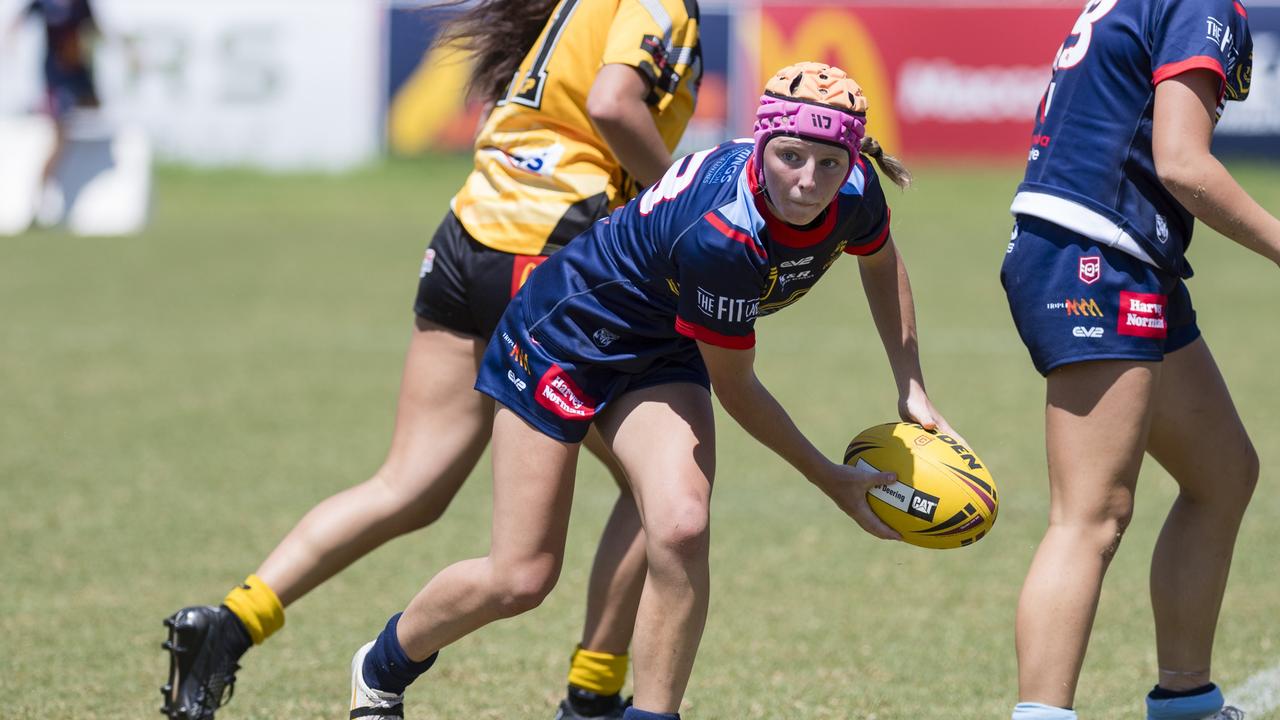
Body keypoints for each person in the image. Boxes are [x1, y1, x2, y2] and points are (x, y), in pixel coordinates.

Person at [346, 61, 957, 720]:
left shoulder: (856, 189)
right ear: (761, 142)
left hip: (662, 343)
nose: (808, 181)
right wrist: (827, 477)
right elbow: (739, 388)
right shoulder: (725, 233)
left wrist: (911, 386)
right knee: (520, 577)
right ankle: (380, 668)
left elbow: (881, 260)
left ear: (852, 159)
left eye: (828, 164)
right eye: (789, 157)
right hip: (564, 336)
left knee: (683, 526)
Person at [159, 2, 702, 719]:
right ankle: (592, 693)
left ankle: (231, 624)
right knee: (659, 489)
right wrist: (684, 204)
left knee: (409, 482)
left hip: (469, 236)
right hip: (555, 254)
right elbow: (612, 102)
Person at [1000, 0, 1277, 717]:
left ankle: (1186, 703)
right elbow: (1184, 164)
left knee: (1223, 472)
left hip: (1122, 251)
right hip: (1097, 252)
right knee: (1091, 515)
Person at [22, 0, 99, 223]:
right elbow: (20, 21)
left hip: (80, 77)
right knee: (60, 137)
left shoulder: (80, 5)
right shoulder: (45, 4)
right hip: (56, 81)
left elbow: (93, 31)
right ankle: (41, 196)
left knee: (100, 121)